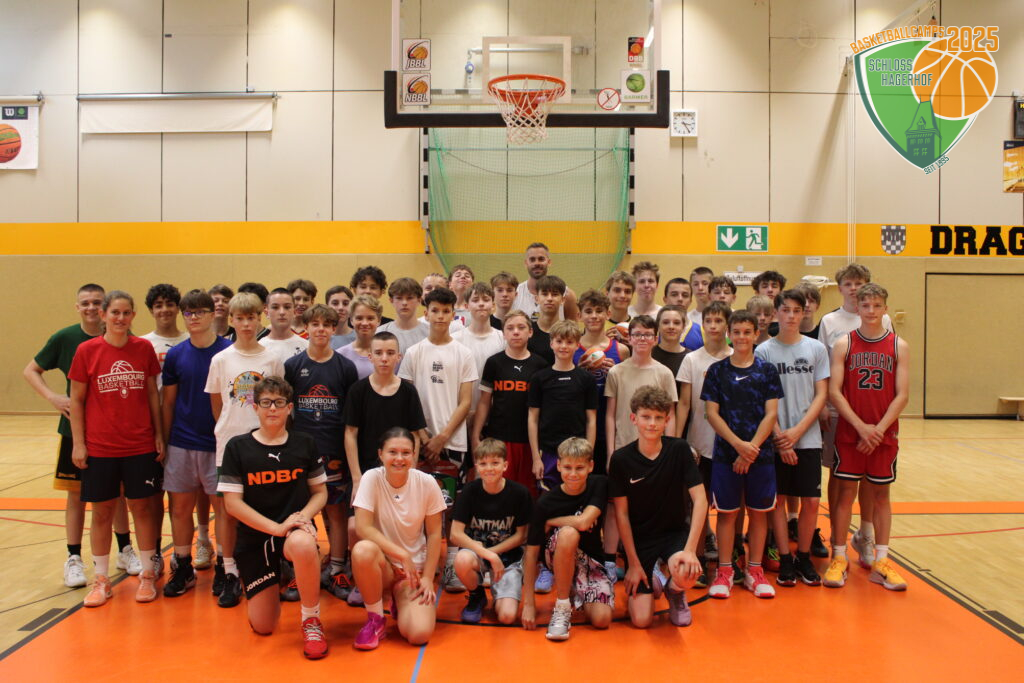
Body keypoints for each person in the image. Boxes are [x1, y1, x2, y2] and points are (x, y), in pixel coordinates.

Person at [24, 284, 139, 587]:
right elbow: (31, 370)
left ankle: (125, 549)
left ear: (105, 308)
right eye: (84, 303)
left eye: (96, 303)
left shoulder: (122, 337)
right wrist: (53, 397)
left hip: (112, 433)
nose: (90, 308)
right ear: (77, 307)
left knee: (118, 494)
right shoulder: (65, 338)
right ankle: (73, 557)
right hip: (75, 431)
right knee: (76, 496)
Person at [217, 376, 329, 659]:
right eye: (266, 402)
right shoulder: (237, 447)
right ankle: (268, 589)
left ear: (289, 408)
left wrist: (302, 518)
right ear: (255, 407)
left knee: (303, 543)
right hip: (256, 538)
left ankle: (311, 620)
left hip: (293, 531)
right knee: (264, 626)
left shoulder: (304, 443)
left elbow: (320, 493)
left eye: (279, 403)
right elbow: (232, 504)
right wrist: (277, 528)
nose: (273, 409)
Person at [68, 290, 164, 606]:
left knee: (142, 508)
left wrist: (158, 434)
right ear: (104, 315)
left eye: (126, 313)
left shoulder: (143, 348)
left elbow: (152, 394)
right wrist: (79, 443)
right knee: (102, 513)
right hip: (100, 447)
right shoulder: (87, 350)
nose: (120, 318)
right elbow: (77, 400)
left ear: (133, 315)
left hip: (140, 444)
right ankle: (101, 579)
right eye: (115, 312)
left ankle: (147, 574)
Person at [825, 284, 909, 592]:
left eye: (876, 305)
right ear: (857, 309)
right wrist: (861, 427)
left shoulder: (899, 345)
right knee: (845, 494)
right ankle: (839, 556)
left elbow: (902, 395)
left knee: (881, 496)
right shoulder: (844, 344)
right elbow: (835, 391)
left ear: (885, 309)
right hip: (851, 433)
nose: (871, 311)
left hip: (884, 435)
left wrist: (878, 429)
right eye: (866, 305)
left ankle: (882, 561)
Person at [205, 292, 285, 607]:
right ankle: (229, 571)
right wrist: (232, 432)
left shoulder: (272, 359)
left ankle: (268, 566)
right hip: (229, 445)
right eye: (240, 318)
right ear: (232, 321)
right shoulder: (221, 360)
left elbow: (277, 401)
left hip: (265, 443)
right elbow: (217, 404)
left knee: (264, 506)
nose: (247, 324)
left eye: (251, 318)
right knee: (227, 511)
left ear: (259, 318)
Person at [398, 286, 477, 591]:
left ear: (453, 314)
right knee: (418, 506)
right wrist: (423, 435)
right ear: (426, 313)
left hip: (453, 442)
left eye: (446, 311)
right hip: (419, 443)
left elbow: (466, 402)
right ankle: (420, 563)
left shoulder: (463, 353)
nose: (441, 316)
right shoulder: (414, 353)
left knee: (451, 505)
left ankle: (452, 564)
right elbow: (407, 398)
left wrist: (442, 437)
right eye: (435, 311)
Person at [702, 310, 783, 600]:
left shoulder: (767, 371)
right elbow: (712, 414)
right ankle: (725, 571)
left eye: (747, 332)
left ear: (756, 334)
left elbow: (771, 414)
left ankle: (755, 570)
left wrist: (751, 450)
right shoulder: (717, 371)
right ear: (729, 334)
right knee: (727, 514)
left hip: (761, 456)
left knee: (759, 514)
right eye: (736, 332)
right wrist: (739, 446)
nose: (741, 337)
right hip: (727, 455)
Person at [609, 387, 707, 628]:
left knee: (688, 570)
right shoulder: (621, 459)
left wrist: (691, 550)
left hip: (674, 534)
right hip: (641, 541)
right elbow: (621, 514)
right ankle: (652, 575)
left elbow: (701, 500)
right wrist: (633, 563)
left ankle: (675, 591)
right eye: (646, 417)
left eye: (658, 418)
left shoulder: (679, 449)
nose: (652, 424)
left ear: (667, 420)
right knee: (641, 621)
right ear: (634, 419)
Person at [818, 264, 894, 570]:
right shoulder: (830, 321)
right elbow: (822, 366)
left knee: (871, 479)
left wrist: (879, 423)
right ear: (840, 288)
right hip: (840, 411)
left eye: (859, 283)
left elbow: (889, 369)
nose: (854, 288)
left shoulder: (884, 322)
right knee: (840, 477)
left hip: (875, 416)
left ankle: (865, 533)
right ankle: (836, 539)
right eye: (848, 284)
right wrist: (824, 404)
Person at [754, 289, 829, 587]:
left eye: (797, 310)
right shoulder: (764, 351)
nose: (791, 316)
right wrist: (779, 436)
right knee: (779, 500)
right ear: (776, 313)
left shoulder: (816, 348)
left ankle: (804, 557)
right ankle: (785, 557)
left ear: (804, 313)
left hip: (807, 437)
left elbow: (821, 394)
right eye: (785, 310)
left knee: (811, 501)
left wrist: (797, 432)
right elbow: (762, 398)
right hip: (775, 438)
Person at [284, 304, 359, 601]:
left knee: (336, 512)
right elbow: (287, 411)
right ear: (306, 327)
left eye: (326, 325)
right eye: (314, 324)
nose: (320, 329)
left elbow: (350, 416)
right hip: (301, 453)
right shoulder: (293, 365)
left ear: (333, 328)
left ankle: (337, 567)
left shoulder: (345, 367)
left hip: (334, 451)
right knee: (301, 513)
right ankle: (303, 568)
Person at [161, 289, 232, 596]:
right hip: (181, 442)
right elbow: (168, 402)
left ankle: (225, 568)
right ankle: (182, 566)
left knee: (223, 511)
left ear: (212, 314)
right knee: (179, 509)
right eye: (188, 313)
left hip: (217, 445)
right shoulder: (176, 355)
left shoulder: (227, 351)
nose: (193, 318)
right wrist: (164, 441)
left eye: (200, 312)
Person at [351, 428, 446, 650]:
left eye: (406, 453)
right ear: (380, 454)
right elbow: (363, 527)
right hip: (383, 565)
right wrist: (401, 554)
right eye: (392, 452)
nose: (399, 458)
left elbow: (434, 534)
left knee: (419, 634)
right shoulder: (371, 478)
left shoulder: (427, 483)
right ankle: (375, 619)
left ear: (414, 455)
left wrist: (428, 578)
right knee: (363, 550)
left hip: (412, 572)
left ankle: (399, 600)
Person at [603, 315, 678, 581]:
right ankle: (609, 561)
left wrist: (669, 450)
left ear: (655, 339)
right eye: (637, 334)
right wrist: (611, 452)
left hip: (654, 452)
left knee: (649, 508)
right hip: (624, 450)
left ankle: (650, 559)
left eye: (647, 335)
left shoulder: (664, 373)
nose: (642, 339)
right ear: (629, 338)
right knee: (615, 507)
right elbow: (610, 415)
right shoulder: (616, 372)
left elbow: (671, 414)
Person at [520, 437, 612, 641]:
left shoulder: (599, 484)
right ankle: (562, 606)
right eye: (568, 467)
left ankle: (575, 589)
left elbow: (585, 521)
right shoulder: (545, 503)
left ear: (590, 466)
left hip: (590, 563)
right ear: (559, 465)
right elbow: (531, 554)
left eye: (580, 468)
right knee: (569, 533)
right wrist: (529, 603)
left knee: (602, 619)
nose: (573, 474)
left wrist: (552, 521)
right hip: (557, 556)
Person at [675, 301, 733, 584]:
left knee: (730, 508)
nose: (713, 326)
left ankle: (728, 562)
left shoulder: (737, 356)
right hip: (699, 445)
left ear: (727, 325)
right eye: (708, 321)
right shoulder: (692, 359)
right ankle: (695, 560)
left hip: (729, 446)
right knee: (697, 507)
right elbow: (684, 404)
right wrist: (678, 442)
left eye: (719, 321)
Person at [450, 438, 532, 624]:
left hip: (508, 558)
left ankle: (501, 594)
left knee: (507, 617)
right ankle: (476, 595)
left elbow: (521, 535)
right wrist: (488, 555)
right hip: (477, 554)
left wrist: (492, 554)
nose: (489, 468)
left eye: (495, 463)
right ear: (477, 466)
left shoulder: (519, 493)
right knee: (462, 559)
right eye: (483, 464)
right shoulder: (469, 491)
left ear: (505, 465)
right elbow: (455, 534)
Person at [472, 310, 548, 497]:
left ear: (530, 332)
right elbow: (484, 402)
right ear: (503, 333)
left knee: (526, 494)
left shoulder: (540, 365)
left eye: (521, 328)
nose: (516, 332)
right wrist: (475, 434)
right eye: (510, 328)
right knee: (499, 492)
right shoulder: (494, 363)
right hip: (499, 439)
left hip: (529, 441)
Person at [528, 320, 598, 493]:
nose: (564, 346)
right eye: (559, 341)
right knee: (548, 497)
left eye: (569, 342)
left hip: (578, 451)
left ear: (577, 345)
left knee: (576, 497)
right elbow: (533, 419)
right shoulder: (539, 378)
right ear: (551, 343)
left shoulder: (586, 379)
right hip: (548, 450)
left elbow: (591, 420)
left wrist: (588, 455)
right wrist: (536, 457)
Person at [573, 289, 629, 477]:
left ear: (608, 314)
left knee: (608, 478)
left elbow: (627, 390)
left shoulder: (621, 350)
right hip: (579, 425)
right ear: (579, 316)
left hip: (610, 426)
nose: (594, 316)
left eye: (599, 311)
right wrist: (578, 373)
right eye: (588, 311)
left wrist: (616, 374)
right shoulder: (572, 348)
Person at [453, 281, 506, 422]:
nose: (481, 304)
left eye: (486, 300)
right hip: (461, 413)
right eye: (475, 300)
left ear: (493, 305)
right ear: (466, 306)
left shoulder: (503, 339)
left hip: (494, 414)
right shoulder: (455, 339)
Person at [512, 242, 579, 320]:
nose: (536, 263)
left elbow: (572, 326)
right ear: (526, 263)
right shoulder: (515, 294)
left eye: (541, 259)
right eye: (532, 260)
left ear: (549, 262)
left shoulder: (567, 295)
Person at [141, 284, 188, 385]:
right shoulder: (143, 344)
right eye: (158, 306)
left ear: (178, 308)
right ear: (151, 310)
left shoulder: (190, 339)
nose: (165, 309)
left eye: (170, 304)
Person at [336, 294, 382, 379]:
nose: (364, 323)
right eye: (359, 318)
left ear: (378, 320)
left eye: (370, 318)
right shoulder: (340, 355)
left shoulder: (388, 355)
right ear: (351, 320)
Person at [259, 288, 309, 364]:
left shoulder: (307, 347)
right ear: (266, 312)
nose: (282, 312)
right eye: (275, 307)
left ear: (294, 312)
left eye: (287, 307)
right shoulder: (259, 348)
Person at [378, 277, 428, 353]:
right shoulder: (380, 333)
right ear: (391, 300)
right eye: (399, 298)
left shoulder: (430, 333)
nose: (404, 303)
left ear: (419, 300)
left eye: (409, 298)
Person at [526, 275, 568, 365]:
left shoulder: (569, 333)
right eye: (545, 294)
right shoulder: (527, 331)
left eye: (555, 294)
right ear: (537, 299)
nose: (549, 298)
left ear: (563, 300)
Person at [651, 305, 690, 381]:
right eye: (666, 322)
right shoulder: (648, 355)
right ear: (658, 326)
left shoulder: (690, 358)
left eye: (676, 323)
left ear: (683, 327)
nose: (671, 327)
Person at [604, 271, 635, 340]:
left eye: (627, 291)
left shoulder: (638, 326)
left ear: (632, 295)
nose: (622, 295)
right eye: (617, 290)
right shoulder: (597, 325)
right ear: (607, 294)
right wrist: (602, 342)